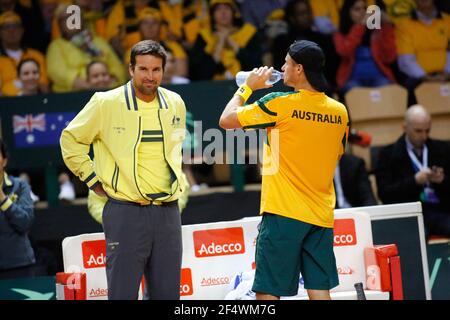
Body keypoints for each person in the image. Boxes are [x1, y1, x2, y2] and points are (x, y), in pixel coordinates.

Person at [219, 40, 350, 300]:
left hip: (283, 214)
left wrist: (246, 88)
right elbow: (337, 152)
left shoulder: (280, 103)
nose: (281, 67)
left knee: (268, 292)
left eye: (286, 63)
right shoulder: (340, 111)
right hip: (321, 215)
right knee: (319, 291)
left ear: (299, 69)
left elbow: (226, 120)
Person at [60, 40, 187, 300]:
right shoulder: (106, 102)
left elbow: (174, 155)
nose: (150, 76)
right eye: (143, 69)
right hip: (126, 212)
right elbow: (70, 139)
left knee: (168, 296)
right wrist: (92, 179)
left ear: (163, 71)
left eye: (156, 70)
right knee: (122, 294)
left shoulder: (175, 102)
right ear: (130, 70)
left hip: (168, 213)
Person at [375, 105, 450, 238]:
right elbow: (385, 194)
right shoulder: (387, 155)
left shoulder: (443, 149)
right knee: (415, 235)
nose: (424, 136)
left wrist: (442, 180)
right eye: (418, 131)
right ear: (405, 128)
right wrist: (414, 181)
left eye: (427, 131)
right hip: (409, 214)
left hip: (440, 210)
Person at [46, 4, 126, 93]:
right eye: (66, 19)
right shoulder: (56, 46)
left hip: (106, 93)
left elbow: (118, 68)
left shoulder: (98, 41)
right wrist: (88, 86)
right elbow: (57, 72)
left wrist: (109, 82)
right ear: (60, 25)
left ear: (82, 20)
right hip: (72, 95)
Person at [333, 0, 397, 98]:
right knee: (355, 92)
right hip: (352, 79)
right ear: (348, 13)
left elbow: (389, 57)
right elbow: (344, 51)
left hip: (378, 77)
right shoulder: (340, 33)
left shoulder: (377, 30)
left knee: (386, 89)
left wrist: (387, 26)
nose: (363, 12)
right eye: (357, 9)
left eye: (364, 8)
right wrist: (360, 26)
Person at [189, 0, 263, 81]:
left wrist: (230, 41)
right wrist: (220, 42)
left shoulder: (248, 32)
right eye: (218, 9)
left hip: (246, 83)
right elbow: (199, 73)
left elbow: (256, 65)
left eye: (227, 8)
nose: (223, 12)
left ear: (234, 12)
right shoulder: (204, 36)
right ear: (212, 14)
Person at [395, 0, 450, 105]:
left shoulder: (448, 21)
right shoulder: (404, 25)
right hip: (419, 78)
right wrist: (425, 77)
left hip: (446, 75)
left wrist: (447, 74)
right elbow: (405, 61)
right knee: (409, 87)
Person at [0, 138, 36, 280]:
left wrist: (3, 199)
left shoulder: (19, 186)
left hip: (19, 265)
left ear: (4, 160)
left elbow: (25, 222)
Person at [0, 11, 48, 96]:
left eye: (15, 26)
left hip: (35, 102)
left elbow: (44, 87)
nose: (11, 30)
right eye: (6, 27)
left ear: (22, 30)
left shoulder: (37, 56)